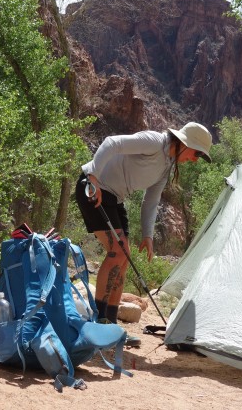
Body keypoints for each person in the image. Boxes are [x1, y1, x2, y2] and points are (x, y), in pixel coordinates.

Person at [74, 122, 212, 346]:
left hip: (114, 198)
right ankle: (98, 325)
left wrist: (147, 236)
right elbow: (112, 143)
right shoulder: (155, 142)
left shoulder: (166, 168)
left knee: (124, 257)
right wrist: (93, 176)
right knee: (118, 252)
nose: (195, 160)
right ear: (185, 144)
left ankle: (109, 325)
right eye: (197, 153)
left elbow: (151, 201)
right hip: (94, 187)